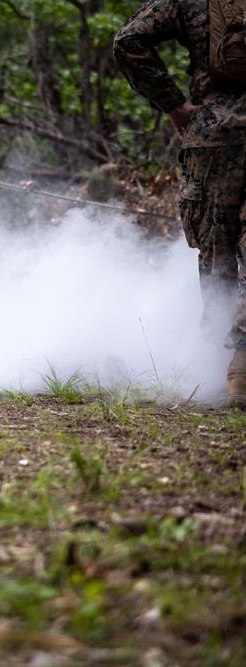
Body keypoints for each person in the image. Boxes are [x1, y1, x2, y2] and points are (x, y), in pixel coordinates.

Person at [114, 1, 246, 407]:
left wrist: (174, 105)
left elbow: (128, 40)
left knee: (216, 246)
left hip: (213, 136)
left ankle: (228, 366)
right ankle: (241, 359)